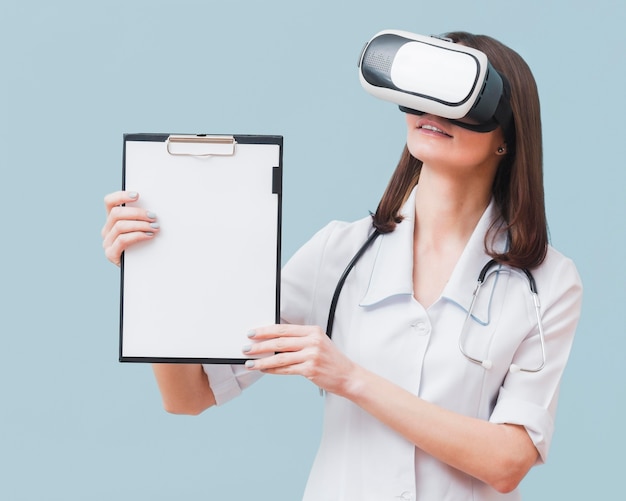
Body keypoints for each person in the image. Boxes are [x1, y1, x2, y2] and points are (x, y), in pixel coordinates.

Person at [101, 31, 582, 501]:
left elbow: (508, 462)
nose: (433, 112)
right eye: (424, 93)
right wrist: (154, 276)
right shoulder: (338, 253)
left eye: (458, 98)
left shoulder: (547, 282)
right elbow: (189, 397)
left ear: (506, 133)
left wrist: (351, 378)